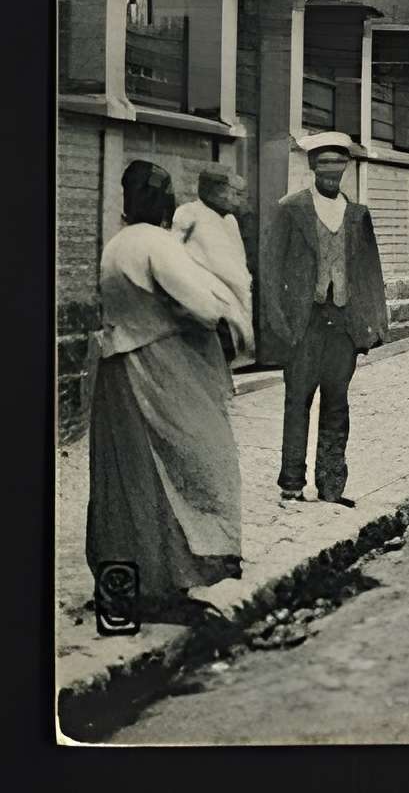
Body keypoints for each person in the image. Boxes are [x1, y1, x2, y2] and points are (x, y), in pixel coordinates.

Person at [86, 158, 250, 622]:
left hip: (117, 367)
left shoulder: (116, 244)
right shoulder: (158, 244)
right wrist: (225, 314)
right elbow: (202, 305)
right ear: (164, 203)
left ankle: (120, 592)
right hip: (160, 369)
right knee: (191, 463)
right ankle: (171, 579)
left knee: (124, 477)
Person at [266, 132, 388, 507]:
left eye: (339, 167)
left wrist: (373, 323)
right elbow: (272, 269)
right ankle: (291, 483)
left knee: (337, 403)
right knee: (297, 400)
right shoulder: (291, 209)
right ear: (312, 168)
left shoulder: (357, 215)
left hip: (344, 324)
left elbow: (370, 272)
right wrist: (279, 322)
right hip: (305, 321)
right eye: (325, 167)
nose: (332, 175)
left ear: (346, 169)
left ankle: (332, 486)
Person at [174, 166, 255, 362]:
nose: (234, 198)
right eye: (231, 192)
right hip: (207, 303)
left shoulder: (230, 221)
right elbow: (174, 254)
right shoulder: (188, 213)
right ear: (214, 190)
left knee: (228, 356)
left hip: (235, 302)